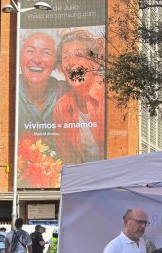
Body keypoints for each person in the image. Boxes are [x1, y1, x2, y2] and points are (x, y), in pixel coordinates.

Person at [52, 30, 105, 165]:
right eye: (66, 57)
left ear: (95, 63)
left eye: (79, 55)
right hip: (84, 180)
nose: (71, 62)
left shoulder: (109, 95)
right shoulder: (61, 107)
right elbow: (66, 158)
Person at [19, 31, 68, 130]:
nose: (37, 59)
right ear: (20, 57)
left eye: (46, 53)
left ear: (56, 61)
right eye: (30, 51)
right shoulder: (9, 91)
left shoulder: (67, 92)